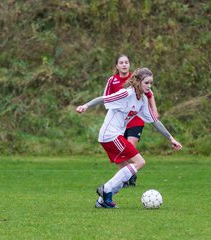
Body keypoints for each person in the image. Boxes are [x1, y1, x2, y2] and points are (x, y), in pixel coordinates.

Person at [76, 67, 182, 208]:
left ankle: (103, 202)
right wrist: (85, 106)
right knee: (139, 162)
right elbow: (103, 99)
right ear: (138, 81)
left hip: (113, 136)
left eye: (151, 83)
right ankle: (106, 189)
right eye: (146, 83)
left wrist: (171, 138)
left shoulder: (143, 100)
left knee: (124, 172)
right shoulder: (126, 94)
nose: (149, 86)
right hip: (110, 135)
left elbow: (154, 121)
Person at [103, 54, 159, 187]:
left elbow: (149, 95)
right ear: (116, 65)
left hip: (136, 119)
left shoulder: (139, 79)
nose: (124, 65)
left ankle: (130, 175)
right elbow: (106, 98)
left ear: (129, 64)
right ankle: (125, 176)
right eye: (121, 62)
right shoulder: (113, 80)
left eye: (126, 62)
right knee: (122, 151)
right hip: (121, 121)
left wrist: (154, 110)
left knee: (130, 147)